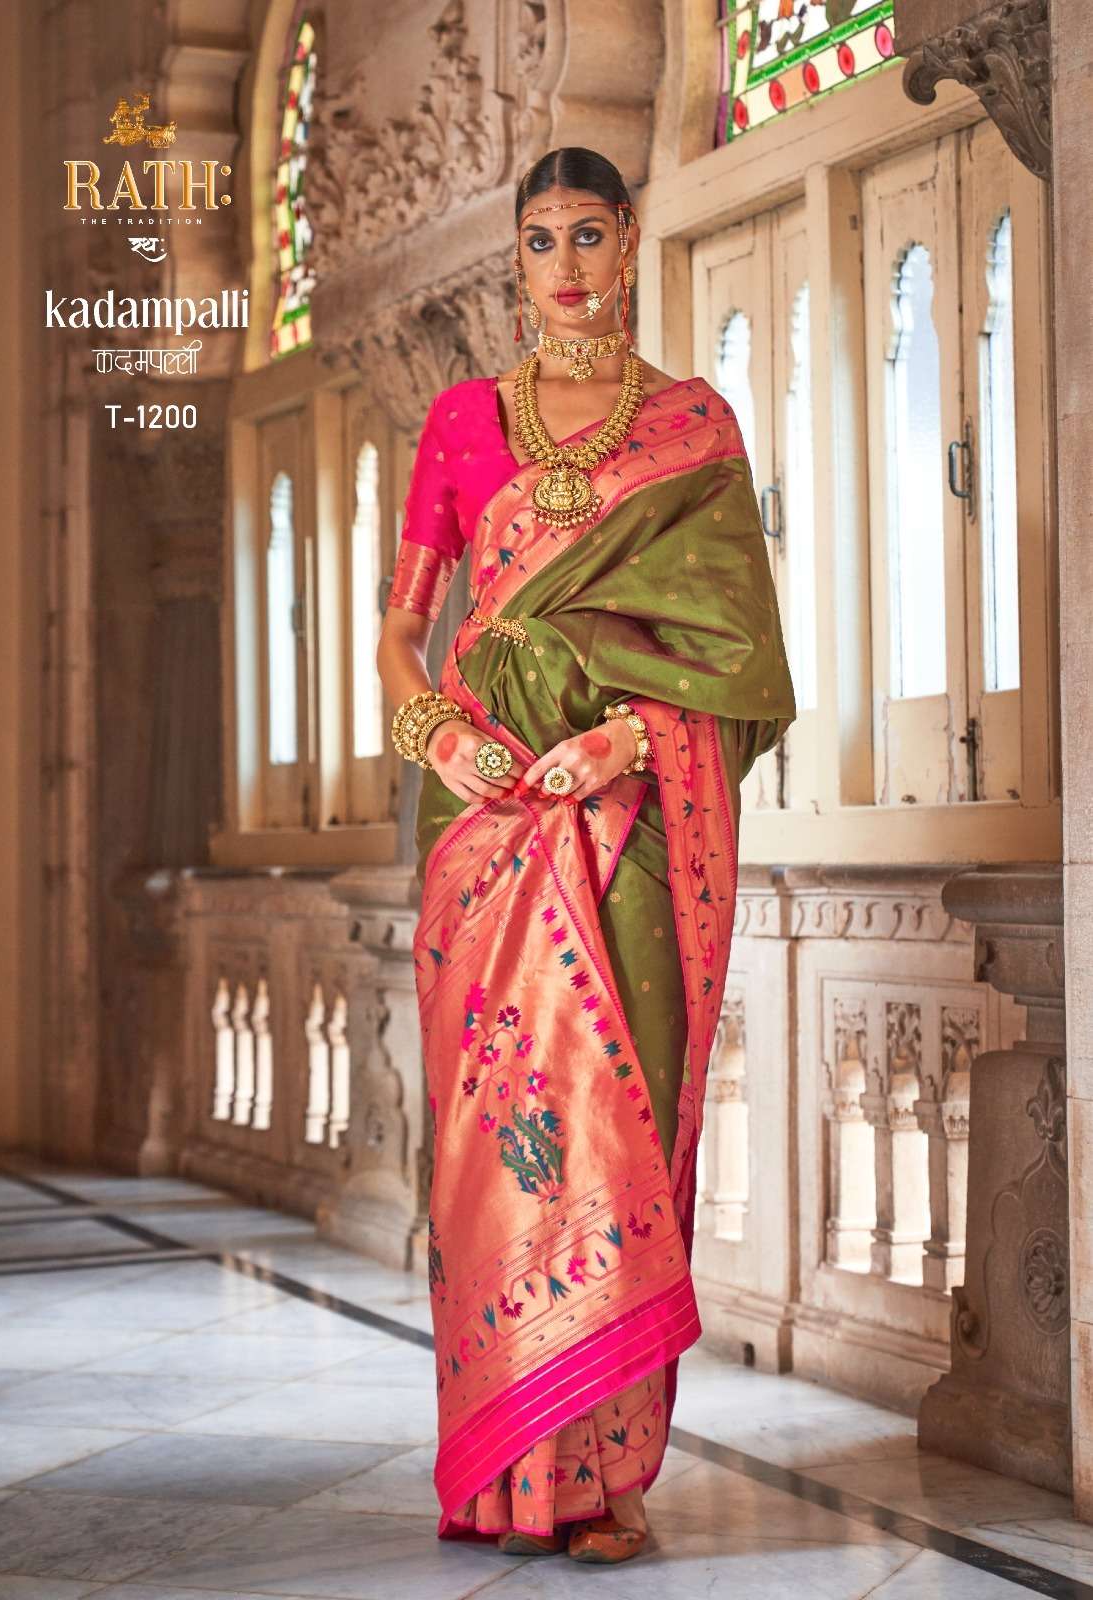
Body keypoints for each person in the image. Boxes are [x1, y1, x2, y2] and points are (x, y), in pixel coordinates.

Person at [375, 145, 795, 1564]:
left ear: (629, 240)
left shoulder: (692, 428)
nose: (566, 265)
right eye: (541, 238)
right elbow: (403, 629)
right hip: (484, 824)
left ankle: (609, 1477)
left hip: (629, 820)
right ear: (518, 256)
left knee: (623, 1123)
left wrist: (624, 742)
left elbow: (739, 662)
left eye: (590, 235)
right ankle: (506, 1465)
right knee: (499, 1137)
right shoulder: (461, 424)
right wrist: (438, 731)